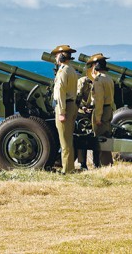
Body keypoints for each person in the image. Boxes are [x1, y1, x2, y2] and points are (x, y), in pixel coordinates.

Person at [51, 45, 79, 174]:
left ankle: (67, 170)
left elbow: (61, 92)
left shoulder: (63, 71)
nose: (56, 58)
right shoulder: (71, 70)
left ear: (62, 56)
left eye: (57, 55)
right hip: (71, 105)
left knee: (65, 141)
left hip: (65, 106)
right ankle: (69, 167)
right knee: (68, 139)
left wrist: (61, 112)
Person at [86, 53, 115, 166]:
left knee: (99, 139)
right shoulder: (109, 78)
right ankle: (108, 163)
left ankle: (100, 164)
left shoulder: (98, 80)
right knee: (106, 137)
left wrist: (97, 117)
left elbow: (99, 101)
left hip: (101, 111)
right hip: (108, 109)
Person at [75, 75, 97, 170]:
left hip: (94, 112)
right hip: (82, 112)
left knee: (96, 138)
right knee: (82, 137)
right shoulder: (82, 82)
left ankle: (96, 162)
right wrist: (82, 107)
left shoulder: (99, 81)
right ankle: (82, 163)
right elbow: (76, 97)